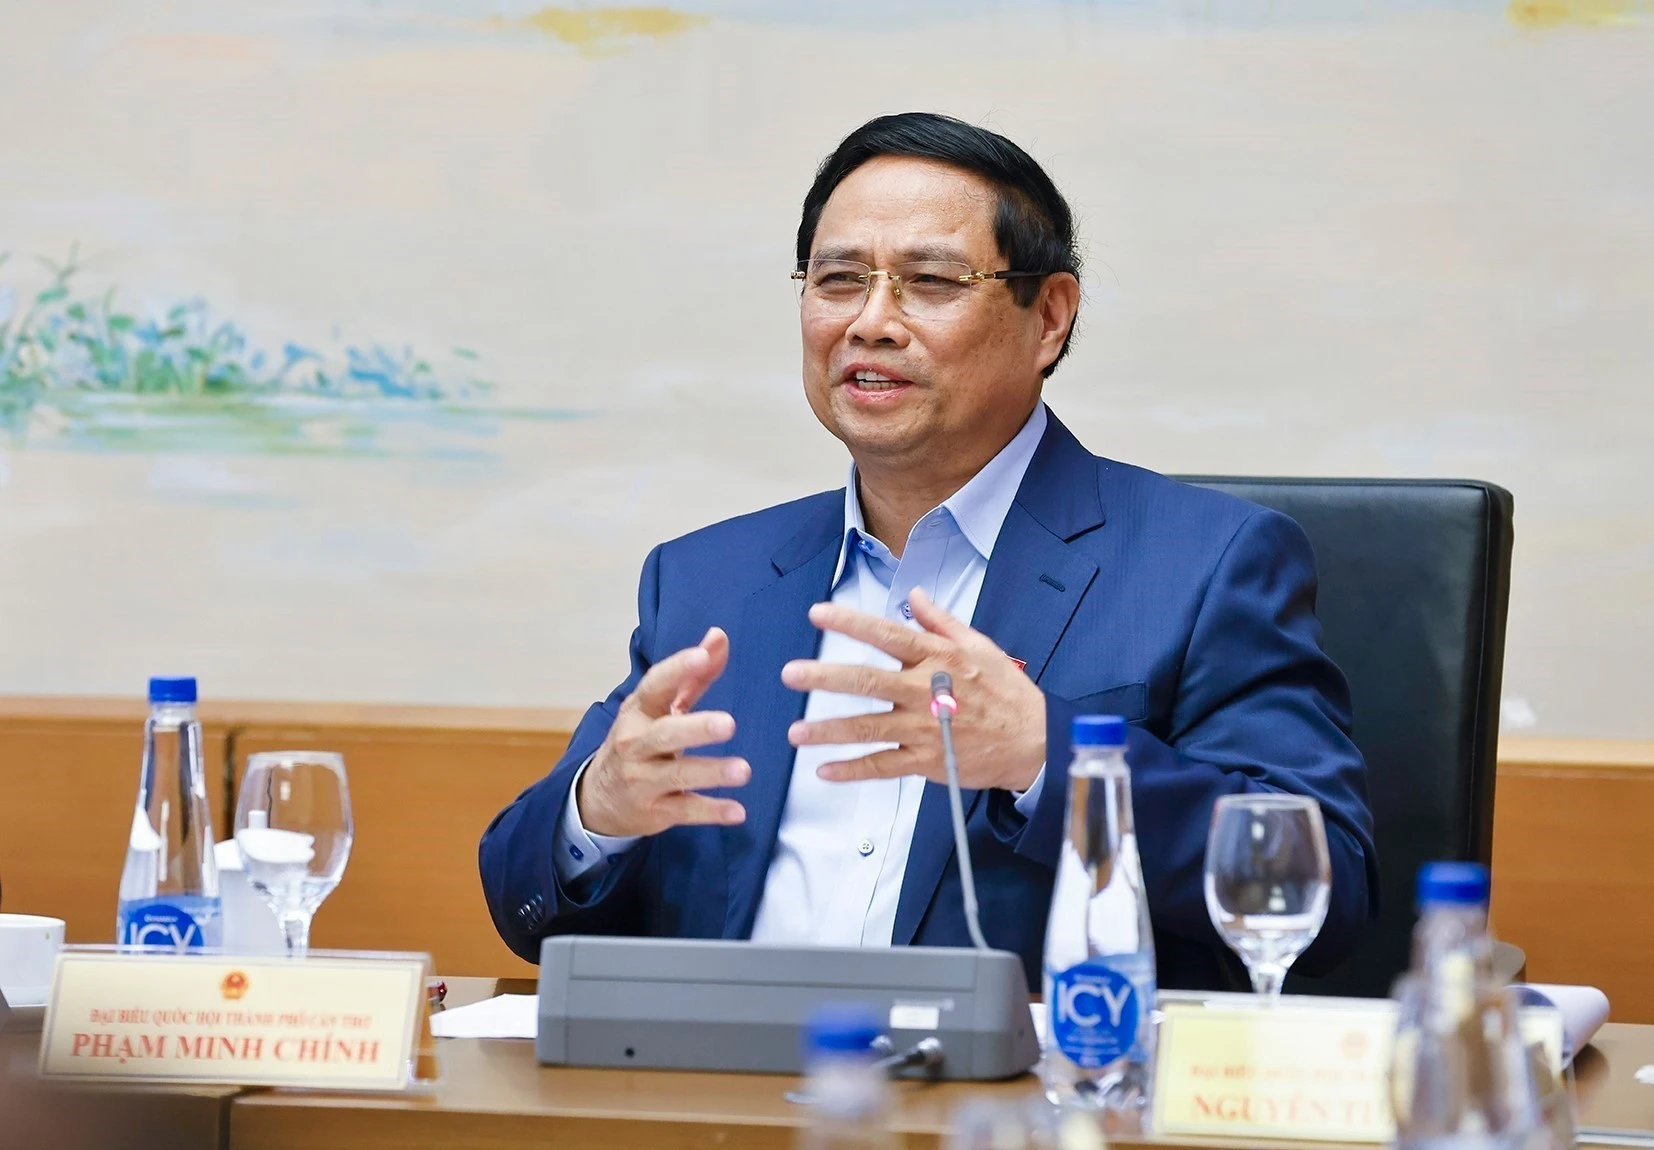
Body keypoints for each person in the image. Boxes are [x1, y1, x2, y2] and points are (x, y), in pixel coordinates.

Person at [480, 112, 1376, 990]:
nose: (871, 322)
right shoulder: (706, 578)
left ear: (1049, 317)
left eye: (931, 281)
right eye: (838, 280)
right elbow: (521, 897)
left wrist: (1045, 757)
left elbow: (1320, 890)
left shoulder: (1205, 564)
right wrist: (599, 810)